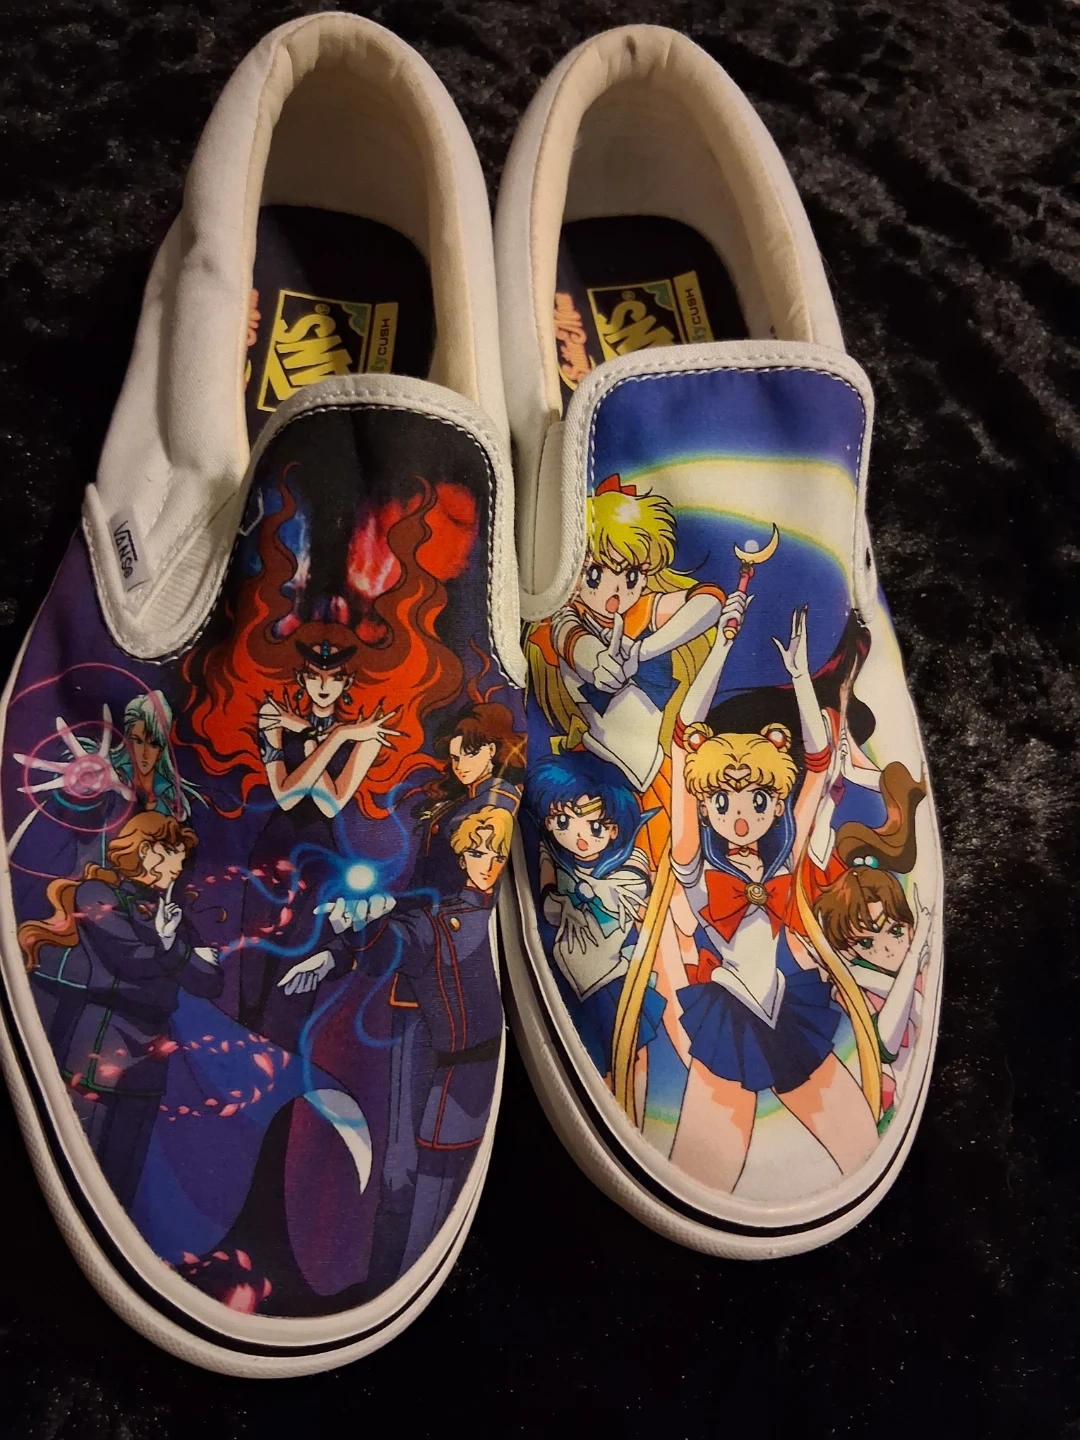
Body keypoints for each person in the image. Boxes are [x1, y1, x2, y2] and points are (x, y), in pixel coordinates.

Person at [663, 596, 880, 1193]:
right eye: (723, 801)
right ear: (705, 802)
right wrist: (721, 644)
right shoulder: (694, 863)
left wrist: (801, 680)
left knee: (850, 1127)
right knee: (713, 1138)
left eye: (757, 800)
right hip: (727, 1007)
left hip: (787, 1000)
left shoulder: (782, 857)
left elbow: (817, 764)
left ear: (775, 801)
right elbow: (682, 740)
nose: (739, 815)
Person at [322, 805, 511, 1289]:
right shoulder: (438, 922)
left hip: (467, 1068)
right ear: (460, 856)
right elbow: (395, 947)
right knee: (423, 1179)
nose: (489, 864)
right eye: (478, 852)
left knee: (432, 1176)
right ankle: (386, 1275)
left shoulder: (468, 915)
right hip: (453, 1073)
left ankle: (393, 1270)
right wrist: (359, 930)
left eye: (496, 854)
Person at [17, 810, 222, 1208]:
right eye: (173, 854)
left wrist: (171, 945)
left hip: (150, 1059)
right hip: (100, 1046)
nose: (179, 868)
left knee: (122, 1186)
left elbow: (210, 981)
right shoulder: (98, 894)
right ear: (146, 851)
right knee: (79, 1175)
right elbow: (131, 960)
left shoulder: (171, 915)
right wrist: (175, 952)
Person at [525, 474, 726, 860]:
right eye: (596, 574)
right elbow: (572, 642)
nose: (614, 593)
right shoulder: (564, 616)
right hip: (598, 772)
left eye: (630, 577)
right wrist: (597, 663)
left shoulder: (642, 610)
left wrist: (647, 648)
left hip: (655, 771)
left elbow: (709, 602)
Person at [528, 753, 663, 1104]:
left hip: (614, 974)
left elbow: (625, 897)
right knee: (598, 1055)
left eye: (595, 826)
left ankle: (633, 1102)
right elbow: (551, 910)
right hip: (574, 973)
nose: (580, 837)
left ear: (614, 828)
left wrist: (588, 890)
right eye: (563, 822)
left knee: (628, 1053)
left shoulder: (628, 864)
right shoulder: (554, 860)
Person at [813, 869, 932, 1131]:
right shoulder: (855, 987)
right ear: (848, 948)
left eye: (895, 930)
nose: (887, 948)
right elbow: (885, 1044)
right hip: (897, 1108)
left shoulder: (925, 964)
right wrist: (912, 956)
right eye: (867, 943)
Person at [411, 700, 524, 894]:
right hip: (429, 896)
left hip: (456, 900)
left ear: (491, 750)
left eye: (470, 754)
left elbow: (485, 868)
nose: (461, 766)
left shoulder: (501, 797)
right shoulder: (465, 797)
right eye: (455, 758)